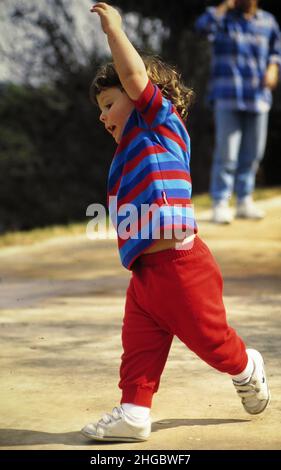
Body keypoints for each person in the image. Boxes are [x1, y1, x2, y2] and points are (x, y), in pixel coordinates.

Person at [81, 2, 270, 443]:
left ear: (143, 96)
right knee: (138, 351)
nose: (103, 116)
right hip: (146, 276)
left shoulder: (159, 123)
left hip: (184, 269)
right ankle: (133, 412)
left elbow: (133, 78)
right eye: (100, 110)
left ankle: (247, 367)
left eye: (109, 104)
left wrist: (114, 33)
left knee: (214, 343)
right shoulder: (125, 157)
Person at [195, 0, 281, 224]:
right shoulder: (222, 19)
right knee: (227, 153)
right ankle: (221, 202)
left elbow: (276, 52)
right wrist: (224, 6)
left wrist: (273, 69)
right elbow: (202, 27)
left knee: (253, 154)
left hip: (258, 97)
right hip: (226, 95)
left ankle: (244, 199)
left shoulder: (268, 21)